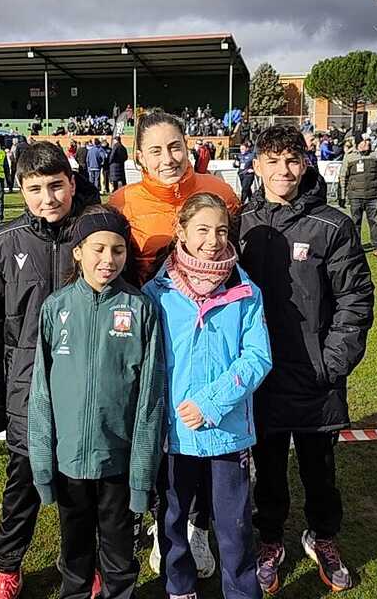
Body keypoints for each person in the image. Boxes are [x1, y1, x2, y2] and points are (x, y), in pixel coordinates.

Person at [238, 126, 374, 594]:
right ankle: (270, 540)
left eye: (292, 160)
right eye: (272, 160)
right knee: (268, 469)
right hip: (260, 377)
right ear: (256, 165)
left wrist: (330, 365)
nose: (283, 170)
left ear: (306, 163)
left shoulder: (333, 225)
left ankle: (323, 537)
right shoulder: (243, 223)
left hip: (316, 378)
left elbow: (355, 301)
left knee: (320, 470)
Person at [0, 142, 100, 599]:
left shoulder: (97, 231)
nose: (48, 198)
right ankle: (7, 567)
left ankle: (82, 565)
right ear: (20, 190)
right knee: (22, 483)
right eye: (35, 188)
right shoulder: (3, 243)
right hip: (27, 392)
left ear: (72, 183)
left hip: (86, 389)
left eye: (56, 186)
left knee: (81, 489)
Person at [110, 110, 240, 577]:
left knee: (208, 432)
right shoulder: (122, 201)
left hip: (210, 338)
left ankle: (198, 527)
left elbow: (234, 264)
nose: (168, 158)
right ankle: (161, 523)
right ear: (139, 156)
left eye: (175, 146)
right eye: (156, 150)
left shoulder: (222, 193)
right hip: (153, 338)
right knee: (157, 439)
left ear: (188, 146)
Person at [29, 205, 165, 599]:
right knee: (75, 555)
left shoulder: (140, 308)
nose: (108, 260)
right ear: (78, 251)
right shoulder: (56, 308)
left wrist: (141, 478)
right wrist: (43, 467)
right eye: (99, 249)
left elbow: (149, 400)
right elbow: (40, 394)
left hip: (119, 463)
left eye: (118, 251)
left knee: (120, 557)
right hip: (69, 462)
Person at [143, 193, 272, 599]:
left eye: (221, 230)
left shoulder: (247, 291)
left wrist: (211, 403)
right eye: (202, 229)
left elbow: (257, 357)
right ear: (181, 230)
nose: (213, 240)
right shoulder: (155, 293)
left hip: (227, 432)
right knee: (173, 521)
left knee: (234, 528)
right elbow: (150, 363)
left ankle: (242, 593)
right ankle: (179, 589)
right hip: (174, 433)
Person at [338, 138, 377, 259]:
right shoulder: (349, 157)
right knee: (355, 224)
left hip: (372, 197)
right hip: (355, 197)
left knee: (375, 223)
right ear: (358, 144)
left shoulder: (376, 155)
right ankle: (356, 248)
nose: (367, 144)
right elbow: (343, 176)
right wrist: (341, 196)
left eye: (368, 141)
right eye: (364, 141)